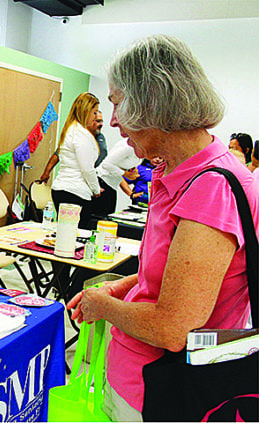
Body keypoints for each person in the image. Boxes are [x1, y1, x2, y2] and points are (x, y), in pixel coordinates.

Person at [67, 35, 259, 421]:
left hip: (161, 393)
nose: (115, 119)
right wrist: (123, 285)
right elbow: (168, 278)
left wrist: (102, 305)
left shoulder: (210, 187)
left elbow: (174, 328)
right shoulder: (175, 171)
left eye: (118, 103)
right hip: (143, 382)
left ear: (152, 102)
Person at [48, 92, 103, 229]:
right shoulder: (80, 134)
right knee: (76, 236)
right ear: (86, 110)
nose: (96, 117)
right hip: (75, 193)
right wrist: (96, 189)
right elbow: (87, 169)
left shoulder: (71, 130)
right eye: (94, 112)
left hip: (63, 189)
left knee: (65, 234)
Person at [40, 110, 107, 183]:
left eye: (102, 121)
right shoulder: (76, 135)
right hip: (72, 181)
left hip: (91, 181)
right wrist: (46, 173)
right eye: (98, 121)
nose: (101, 124)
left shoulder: (100, 138)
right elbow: (58, 153)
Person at [92, 139, 141, 215]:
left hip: (112, 184)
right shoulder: (128, 147)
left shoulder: (139, 150)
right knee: (101, 217)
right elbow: (106, 164)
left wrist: (133, 170)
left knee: (108, 216)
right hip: (103, 181)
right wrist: (125, 174)